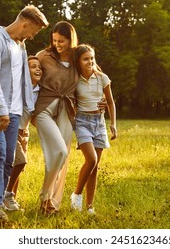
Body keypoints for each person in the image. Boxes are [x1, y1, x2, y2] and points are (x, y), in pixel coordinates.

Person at [0, 5, 48, 227]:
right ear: (24, 24)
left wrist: (26, 107)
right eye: (33, 31)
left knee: (9, 157)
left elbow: (23, 80)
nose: (32, 36)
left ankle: (1, 199)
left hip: (13, 110)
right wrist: (1, 109)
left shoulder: (20, 46)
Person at [31, 21, 79, 214]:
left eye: (62, 41)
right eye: (55, 40)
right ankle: (45, 197)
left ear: (71, 40)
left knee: (61, 157)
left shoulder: (78, 56)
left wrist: (101, 97)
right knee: (58, 151)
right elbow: (26, 72)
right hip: (44, 108)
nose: (58, 44)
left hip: (67, 109)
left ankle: (51, 203)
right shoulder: (44, 56)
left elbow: (95, 73)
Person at [70, 44, 117, 215]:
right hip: (82, 121)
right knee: (91, 159)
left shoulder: (102, 78)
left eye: (92, 58)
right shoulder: (74, 79)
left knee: (95, 166)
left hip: (99, 123)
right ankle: (76, 195)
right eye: (85, 59)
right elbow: (69, 100)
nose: (90, 61)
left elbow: (110, 102)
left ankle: (90, 206)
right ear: (78, 61)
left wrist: (113, 124)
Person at [3, 56, 42, 211]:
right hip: (11, 129)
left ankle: (11, 201)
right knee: (20, 161)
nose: (37, 69)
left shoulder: (40, 90)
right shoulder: (18, 86)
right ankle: (7, 195)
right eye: (33, 66)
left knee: (17, 168)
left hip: (24, 131)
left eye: (39, 67)